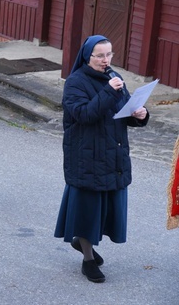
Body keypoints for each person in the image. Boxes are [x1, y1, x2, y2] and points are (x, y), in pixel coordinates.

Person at [54, 35, 149, 283]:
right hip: (85, 156)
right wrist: (109, 91)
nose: (106, 60)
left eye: (109, 55)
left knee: (105, 209)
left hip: (113, 153)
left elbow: (123, 112)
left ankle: (81, 242)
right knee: (88, 210)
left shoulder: (113, 77)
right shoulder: (75, 82)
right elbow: (84, 114)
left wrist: (139, 114)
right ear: (88, 56)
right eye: (100, 55)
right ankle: (87, 260)